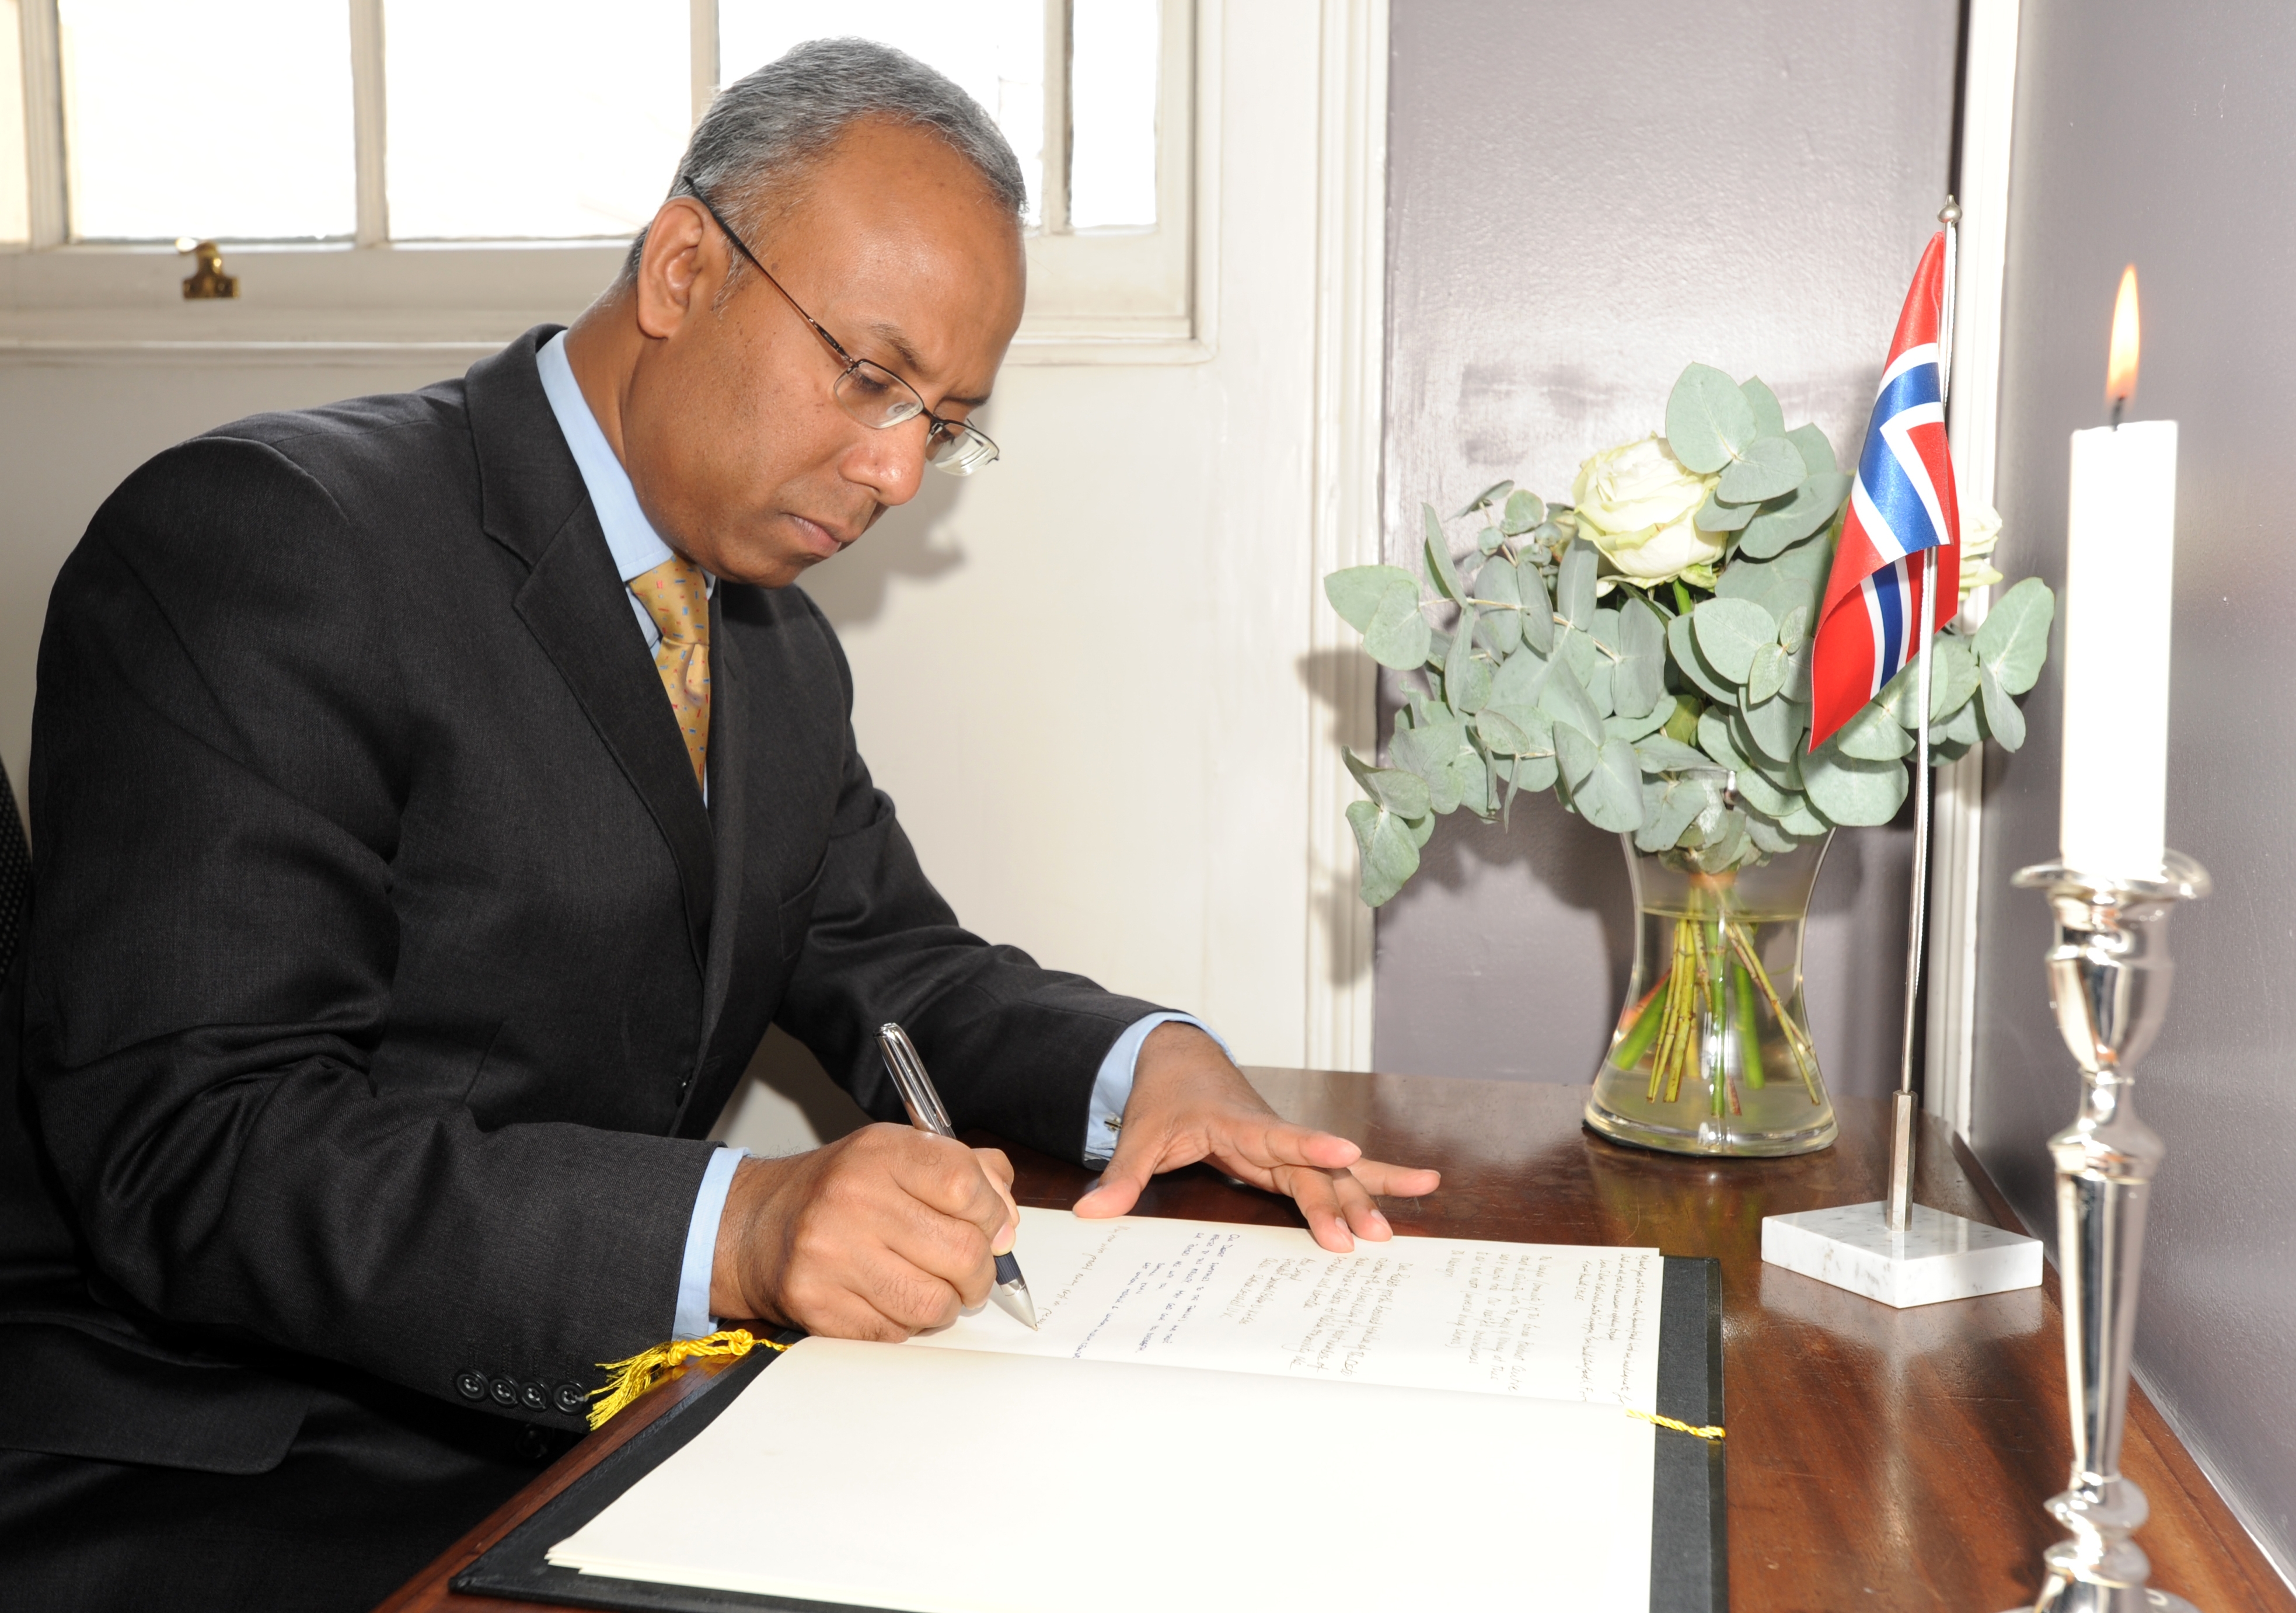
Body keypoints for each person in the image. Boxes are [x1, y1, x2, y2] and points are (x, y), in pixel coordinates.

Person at [0, 38, 1439, 1610]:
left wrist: (1143, 1057)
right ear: (687, 267)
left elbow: (903, 970)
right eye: (870, 375)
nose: (897, 470)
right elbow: (201, 1151)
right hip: (245, 1465)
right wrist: (742, 1225)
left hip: (587, 1421)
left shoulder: (769, 646)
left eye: (943, 422)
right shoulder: (266, 539)